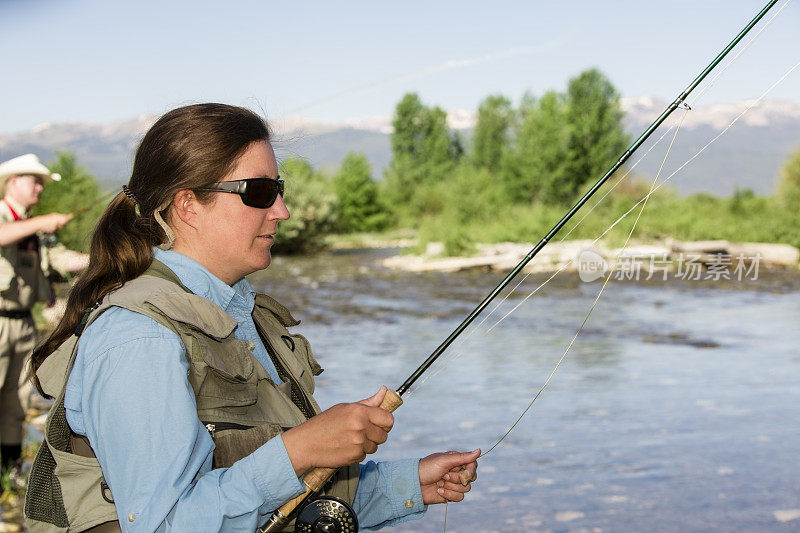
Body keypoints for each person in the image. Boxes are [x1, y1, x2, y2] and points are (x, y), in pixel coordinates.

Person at [25, 103, 479, 532]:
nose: (281, 211)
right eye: (260, 192)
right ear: (187, 206)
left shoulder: (247, 315)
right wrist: (300, 449)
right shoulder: (138, 336)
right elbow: (165, 523)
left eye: (279, 191)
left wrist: (409, 483)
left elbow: (283, 503)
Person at [0, 153, 83, 481]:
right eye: (35, 182)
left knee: (17, 401)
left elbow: (63, 260)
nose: (39, 189)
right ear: (14, 182)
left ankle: (10, 471)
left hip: (23, 323)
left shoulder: (35, 231)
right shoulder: (10, 218)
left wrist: (105, 259)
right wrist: (41, 222)